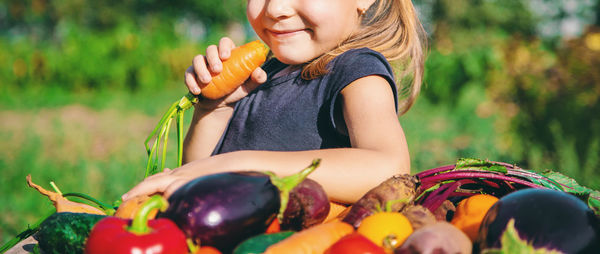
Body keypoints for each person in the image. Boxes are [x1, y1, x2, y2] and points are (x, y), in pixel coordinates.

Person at [123, 0, 426, 204]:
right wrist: (212, 109)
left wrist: (242, 164)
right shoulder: (261, 72)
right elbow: (196, 171)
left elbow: (389, 168)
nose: (276, 8)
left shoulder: (356, 71)